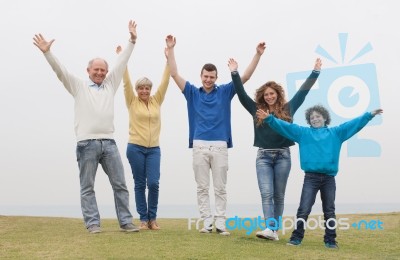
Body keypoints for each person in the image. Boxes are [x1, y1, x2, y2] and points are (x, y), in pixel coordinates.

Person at [33, 20, 139, 234]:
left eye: (103, 70)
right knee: (87, 186)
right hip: (86, 144)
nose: (100, 73)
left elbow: (122, 62)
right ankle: (93, 224)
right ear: (88, 70)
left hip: (109, 143)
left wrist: (132, 41)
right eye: (96, 70)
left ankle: (126, 222)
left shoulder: (110, 85)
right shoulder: (79, 86)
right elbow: (60, 71)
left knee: (120, 184)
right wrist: (47, 53)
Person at [165, 35, 265, 236]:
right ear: (201, 76)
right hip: (199, 145)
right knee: (202, 187)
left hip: (220, 145)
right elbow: (174, 74)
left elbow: (244, 77)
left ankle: (220, 223)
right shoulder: (192, 92)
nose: (208, 79)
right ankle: (207, 223)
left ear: (216, 78)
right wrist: (171, 50)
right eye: (205, 76)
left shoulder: (225, 91)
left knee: (220, 187)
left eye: (212, 77)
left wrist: (257, 55)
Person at [256, 105, 383, 248]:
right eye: (312, 117)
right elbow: (285, 126)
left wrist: (369, 115)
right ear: (309, 121)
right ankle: (296, 238)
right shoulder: (303, 133)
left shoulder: (336, 133)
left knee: (329, 210)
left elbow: (352, 124)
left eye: (318, 116)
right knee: (303, 209)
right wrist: (270, 119)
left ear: (324, 118)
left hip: (329, 179)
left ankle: (330, 241)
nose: (315, 119)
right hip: (310, 178)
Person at [228, 57, 321, 241]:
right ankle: (270, 228)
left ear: (277, 94)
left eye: (272, 93)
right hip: (263, 156)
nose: (269, 97)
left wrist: (315, 71)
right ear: (263, 96)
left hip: (283, 156)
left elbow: (304, 91)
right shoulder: (256, 110)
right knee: (266, 193)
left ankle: (274, 231)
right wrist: (234, 72)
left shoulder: (288, 108)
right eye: (266, 95)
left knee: (278, 195)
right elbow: (240, 93)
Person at [115, 45, 170, 230]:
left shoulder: (156, 100)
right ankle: (143, 219)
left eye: (147, 88)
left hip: (154, 148)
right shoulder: (131, 100)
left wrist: (169, 58)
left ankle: (153, 219)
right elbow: (126, 82)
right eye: (141, 88)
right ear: (137, 90)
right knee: (139, 183)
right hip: (135, 147)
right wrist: (122, 59)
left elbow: (165, 80)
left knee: (153, 183)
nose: (144, 91)